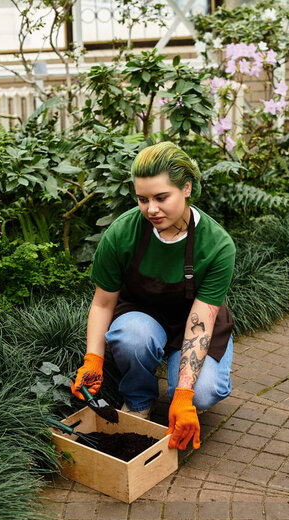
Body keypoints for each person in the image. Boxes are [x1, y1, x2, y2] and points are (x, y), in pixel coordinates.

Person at [71, 141, 236, 451]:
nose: (151, 210)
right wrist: (93, 360)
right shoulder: (122, 233)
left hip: (195, 322)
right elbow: (103, 303)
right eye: (142, 199)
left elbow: (200, 322)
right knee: (132, 336)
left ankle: (180, 395)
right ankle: (138, 400)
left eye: (161, 198)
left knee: (202, 393)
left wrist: (184, 395)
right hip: (143, 316)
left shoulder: (217, 245)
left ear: (186, 188)